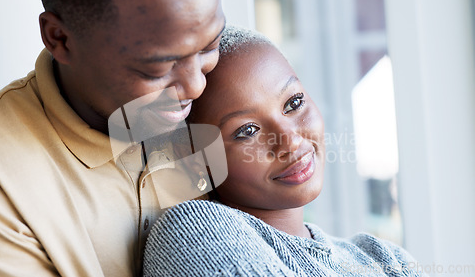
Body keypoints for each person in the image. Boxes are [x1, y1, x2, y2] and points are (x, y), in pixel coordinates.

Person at [142, 26, 427, 277]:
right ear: (196, 162)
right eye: (247, 131)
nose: (289, 141)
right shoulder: (193, 233)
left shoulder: (387, 259)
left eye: (294, 103)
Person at [0, 0, 225, 276]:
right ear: (60, 39)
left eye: (210, 46)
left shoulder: (229, 90)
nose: (196, 86)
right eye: (157, 67)